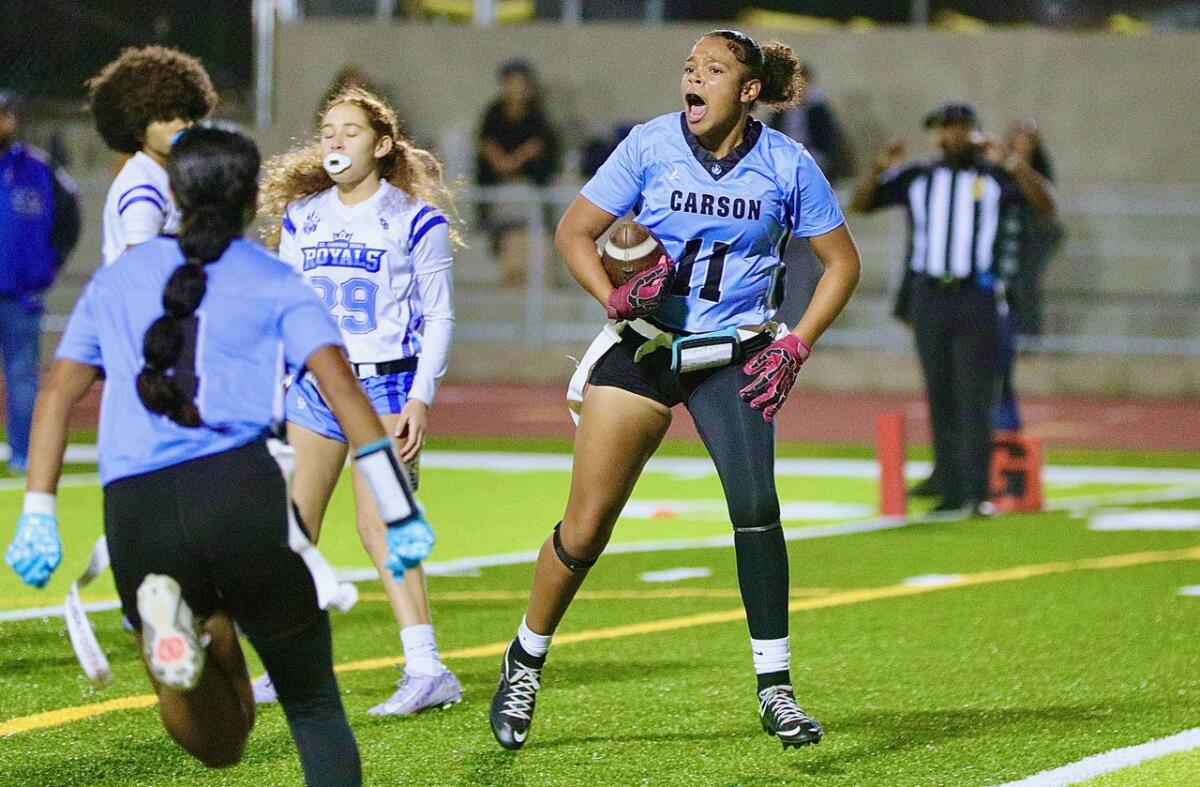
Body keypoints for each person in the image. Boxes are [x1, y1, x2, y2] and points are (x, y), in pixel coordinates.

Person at [3, 127, 436, 785]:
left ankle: (181, 644)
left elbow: (58, 392)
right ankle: (192, 643)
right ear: (252, 198)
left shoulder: (119, 278)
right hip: (238, 494)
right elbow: (342, 390)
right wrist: (397, 505)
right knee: (313, 704)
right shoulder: (274, 278)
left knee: (218, 740)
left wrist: (38, 511)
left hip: (136, 512)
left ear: (174, 192)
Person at [487, 30, 861, 751]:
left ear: (748, 91)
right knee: (586, 527)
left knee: (757, 508)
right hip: (649, 347)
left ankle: (776, 688)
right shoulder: (649, 144)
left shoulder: (787, 163)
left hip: (735, 352)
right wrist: (613, 297)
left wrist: (796, 342)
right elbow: (575, 233)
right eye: (689, 68)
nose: (693, 79)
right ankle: (525, 658)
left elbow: (841, 263)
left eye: (713, 70)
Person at [258, 86, 460, 715]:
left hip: (384, 387)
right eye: (328, 132)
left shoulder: (413, 218)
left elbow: (440, 317)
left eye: (350, 132)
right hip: (316, 387)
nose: (336, 143)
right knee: (293, 529)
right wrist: (277, 389)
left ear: (382, 143)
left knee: (383, 527)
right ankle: (286, 668)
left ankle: (427, 670)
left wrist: (421, 399)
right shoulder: (304, 215)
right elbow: (286, 308)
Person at [849, 102, 1056, 513]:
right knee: (940, 392)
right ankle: (948, 481)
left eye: (961, 128)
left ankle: (975, 489)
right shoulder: (919, 178)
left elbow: (1045, 205)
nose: (953, 137)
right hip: (930, 296)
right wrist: (877, 168)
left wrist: (1013, 163)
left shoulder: (995, 178)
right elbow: (861, 204)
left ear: (977, 133)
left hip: (975, 295)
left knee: (974, 396)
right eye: (945, 129)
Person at [0, 90, 81, 474]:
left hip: (21, 295)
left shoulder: (39, 169)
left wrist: (49, 265)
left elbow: (70, 219)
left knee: (22, 378)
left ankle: (23, 454)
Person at [86, 45, 217, 265]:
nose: (180, 125)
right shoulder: (143, 186)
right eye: (166, 117)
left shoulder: (162, 176)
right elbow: (141, 269)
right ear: (137, 128)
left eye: (185, 114)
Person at [474, 58, 560, 287]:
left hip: (528, 184)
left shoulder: (537, 117)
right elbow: (487, 144)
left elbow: (537, 148)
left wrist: (515, 161)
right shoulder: (493, 113)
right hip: (497, 183)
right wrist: (502, 162)